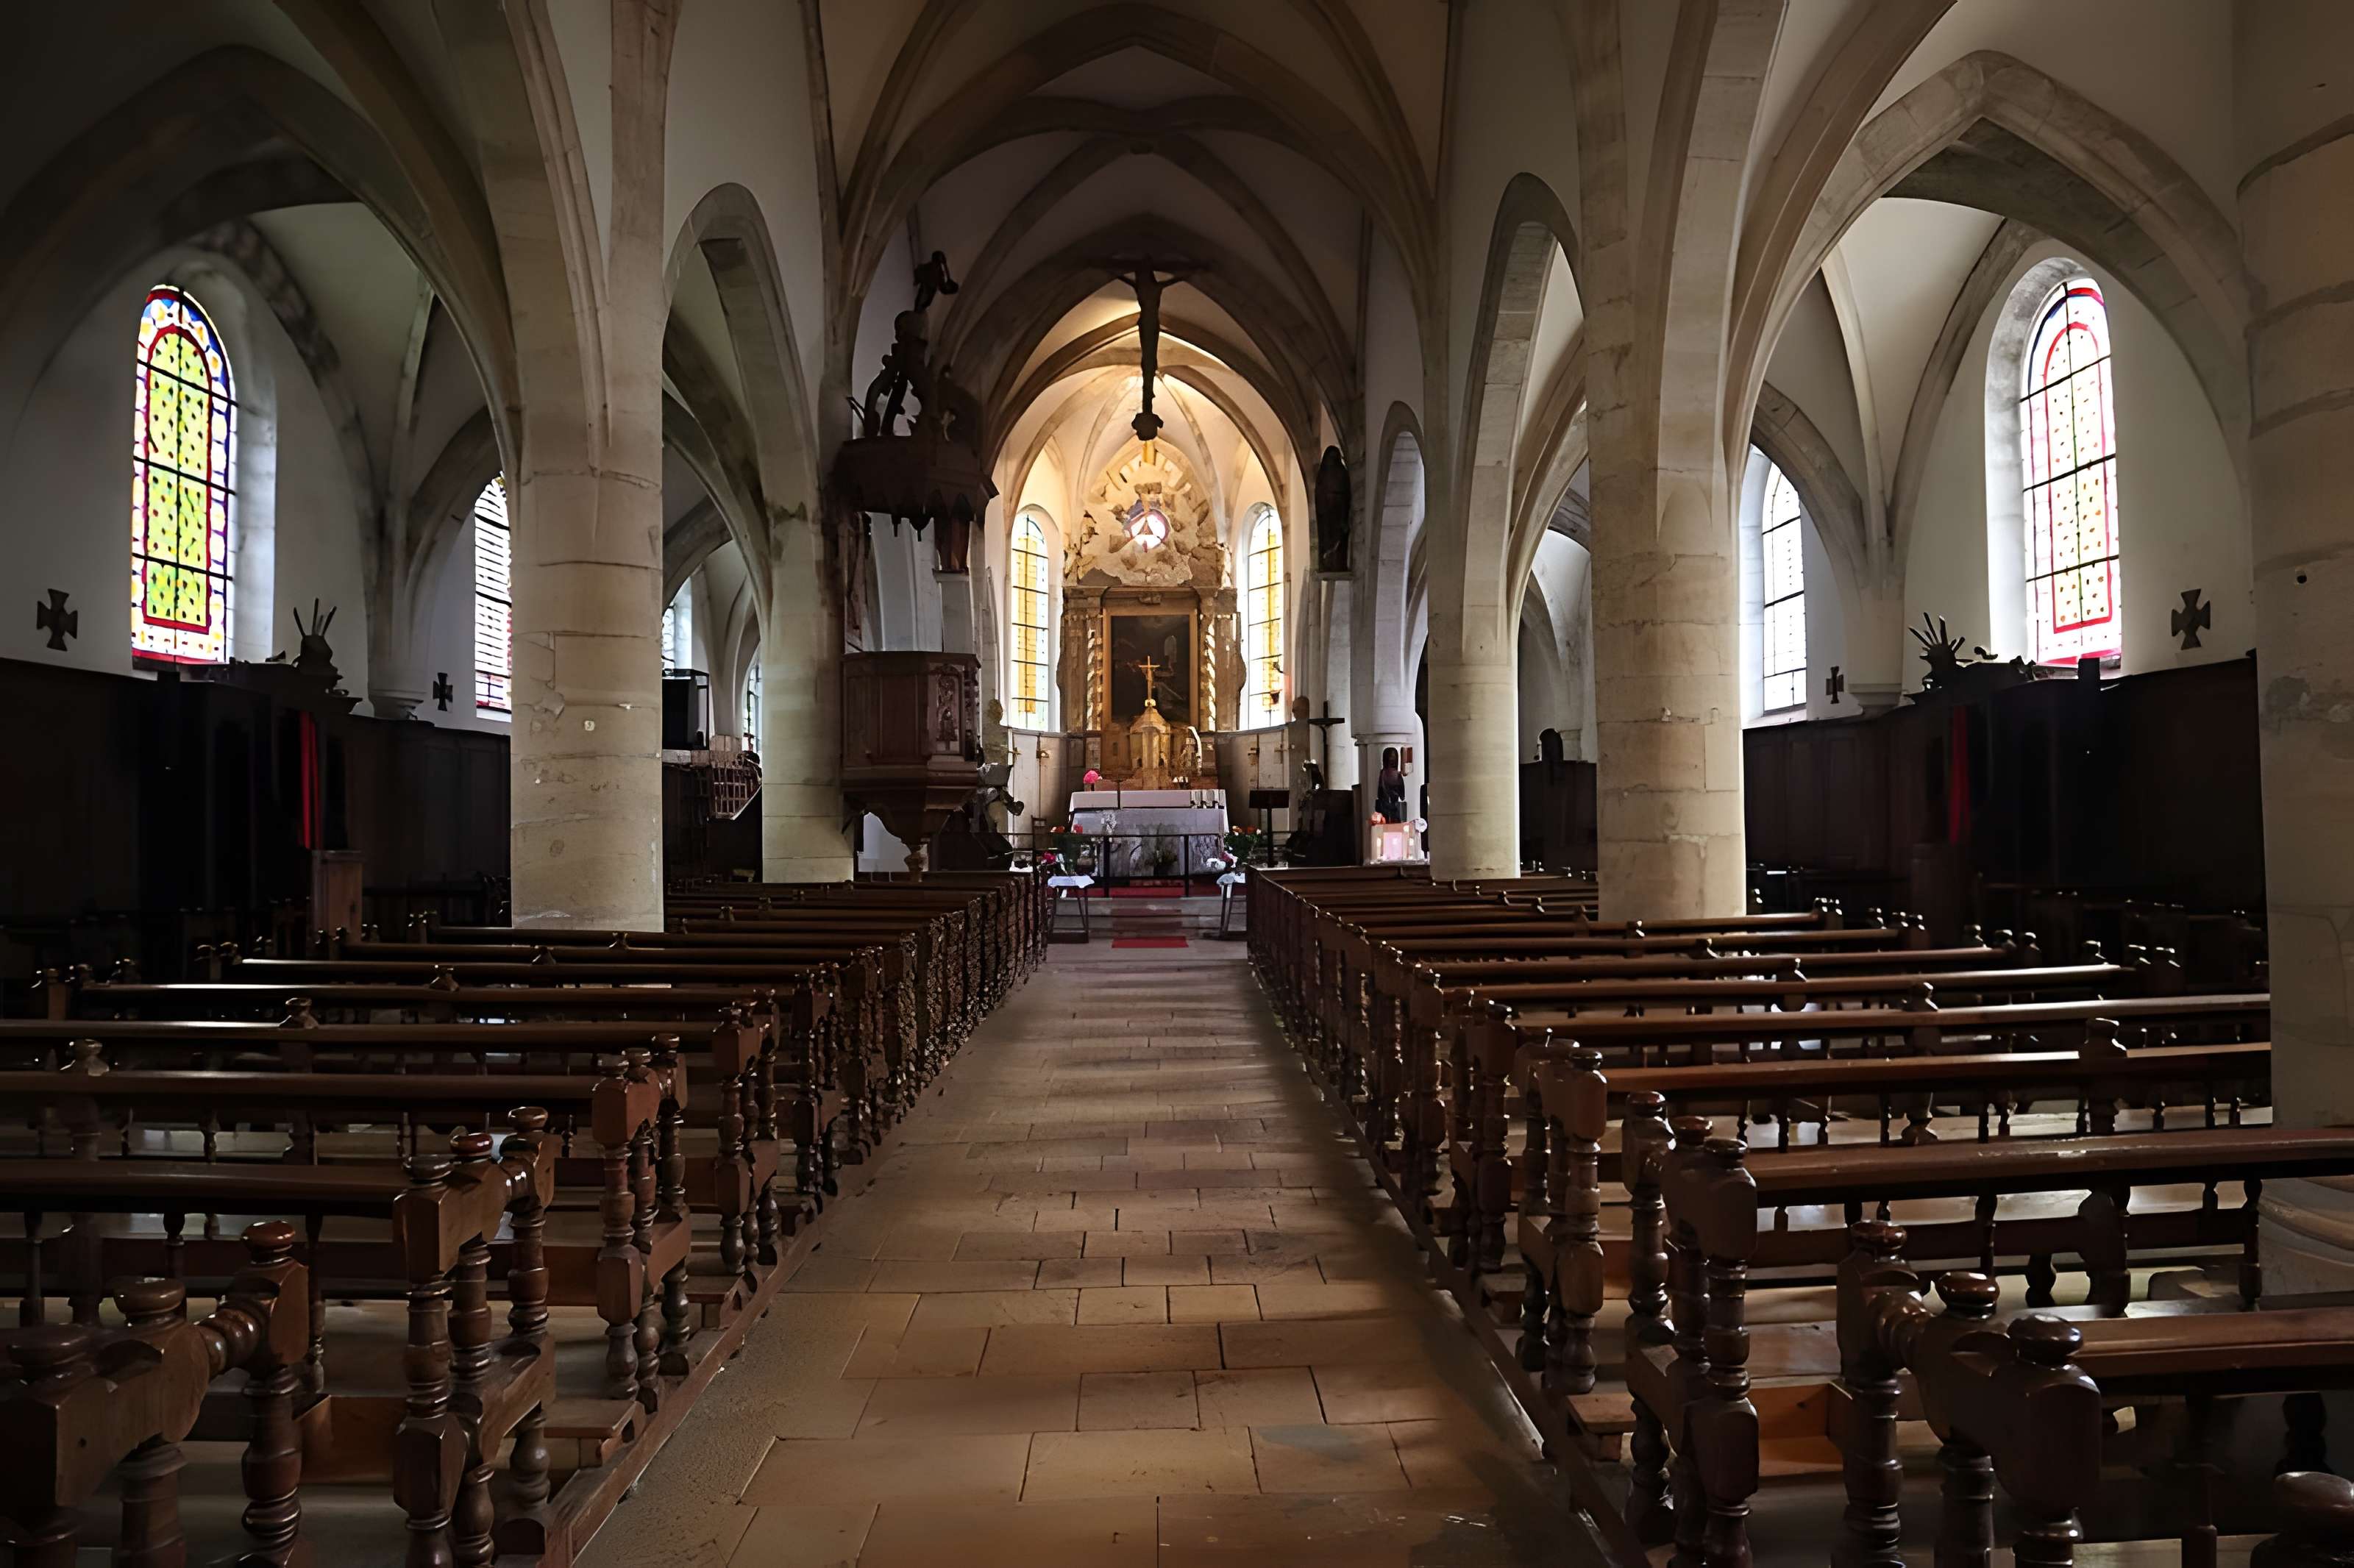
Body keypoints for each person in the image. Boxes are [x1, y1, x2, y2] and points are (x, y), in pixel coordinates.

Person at [1374, 746, 1408, 822]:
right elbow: (1381, 790)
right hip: (1387, 804)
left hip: (1393, 804)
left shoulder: (1386, 774)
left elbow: (1380, 790)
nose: (1391, 760)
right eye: (1390, 758)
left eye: (1393, 759)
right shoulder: (1385, 774)